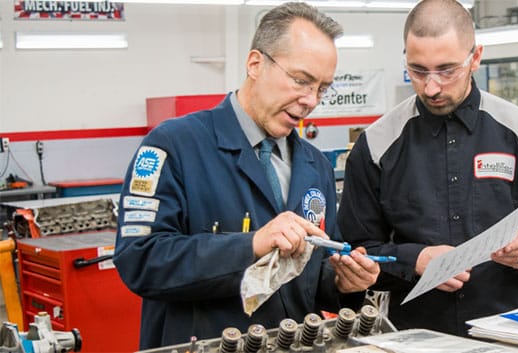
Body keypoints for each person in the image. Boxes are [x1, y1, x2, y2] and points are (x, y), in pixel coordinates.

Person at [113, 3, 379, 349]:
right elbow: (140, 259)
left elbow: (314, 271)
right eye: (301, 80)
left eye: (322, 88)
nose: (311, 100)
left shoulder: (315, 166)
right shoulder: (174, 145)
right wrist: (251, 245)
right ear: (255, 64)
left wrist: (344, 282)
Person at [337, 0, 518, 337]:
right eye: (418, 70)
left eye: (447, 70)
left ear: (475, 57)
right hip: (410, 334)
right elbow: (356, 252)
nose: (431, 87)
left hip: (508, 328)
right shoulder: (376, 145)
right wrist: (414, 260)